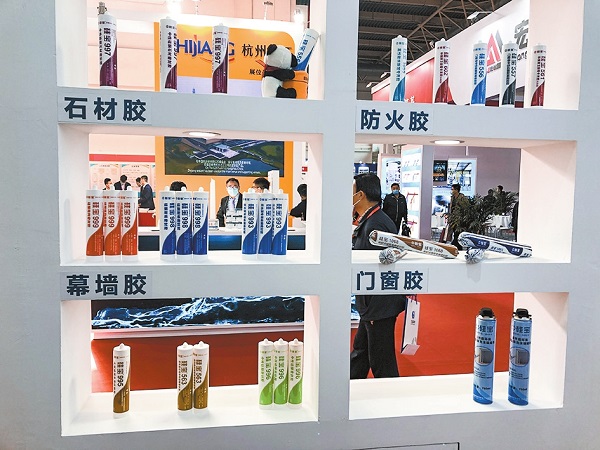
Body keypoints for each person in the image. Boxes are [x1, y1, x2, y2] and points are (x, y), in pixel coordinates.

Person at [350, 173, 406, 379]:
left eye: (351, 191)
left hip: (379, 304)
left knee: (381, 360)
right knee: (362, 351)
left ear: (360, 195)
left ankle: (391, 395)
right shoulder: (371, 220)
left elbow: (382, 269)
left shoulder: (377, 225)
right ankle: (348, 386)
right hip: (371, 304)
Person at [448, 183, 467, 249]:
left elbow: (465, 208)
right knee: (454, 231)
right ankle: (456, 245)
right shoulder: (452, 198)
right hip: (453, 218)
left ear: (456, 190)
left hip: (460, 218)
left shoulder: (462, 198)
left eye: (452, 189)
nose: (451, 191)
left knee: (458, 232)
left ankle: (457, 245)